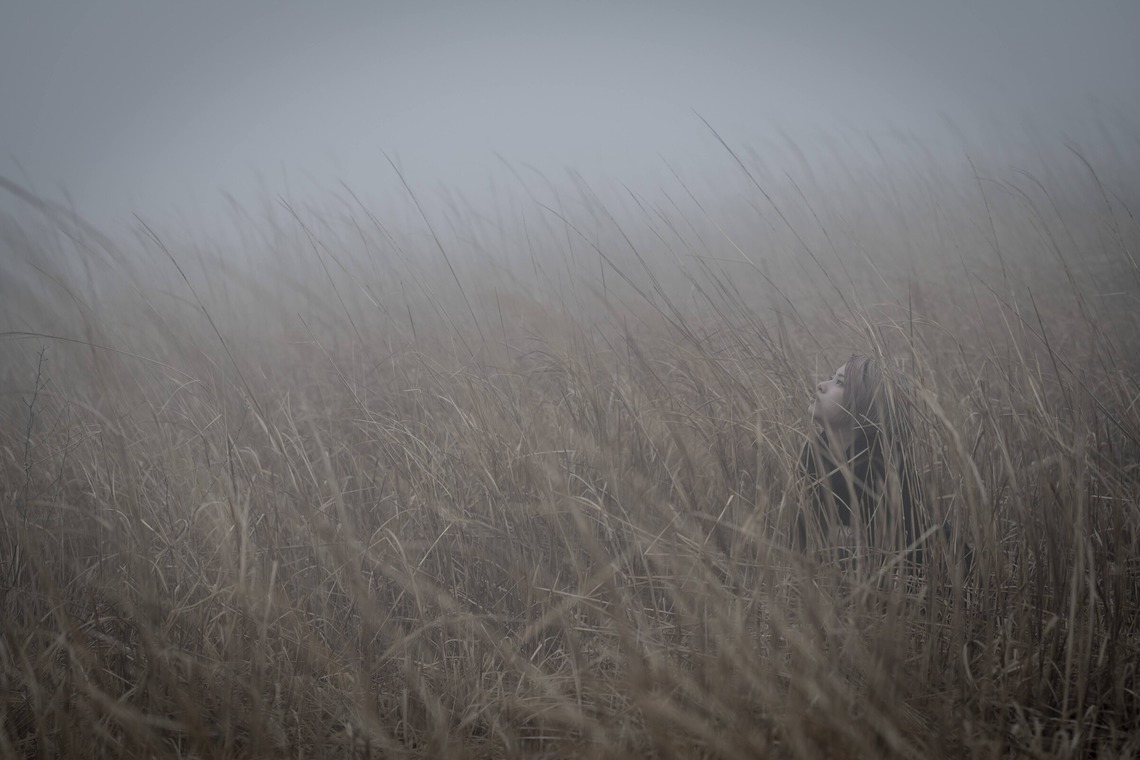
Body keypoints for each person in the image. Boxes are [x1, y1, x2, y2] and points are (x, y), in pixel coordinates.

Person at [795, 354, 954, 568]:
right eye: (831, 378)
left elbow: (903, 546)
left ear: (865, 406)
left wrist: (856, 538)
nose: (821, 386)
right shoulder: (813, 453)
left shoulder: (882, 464)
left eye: (840, 383)